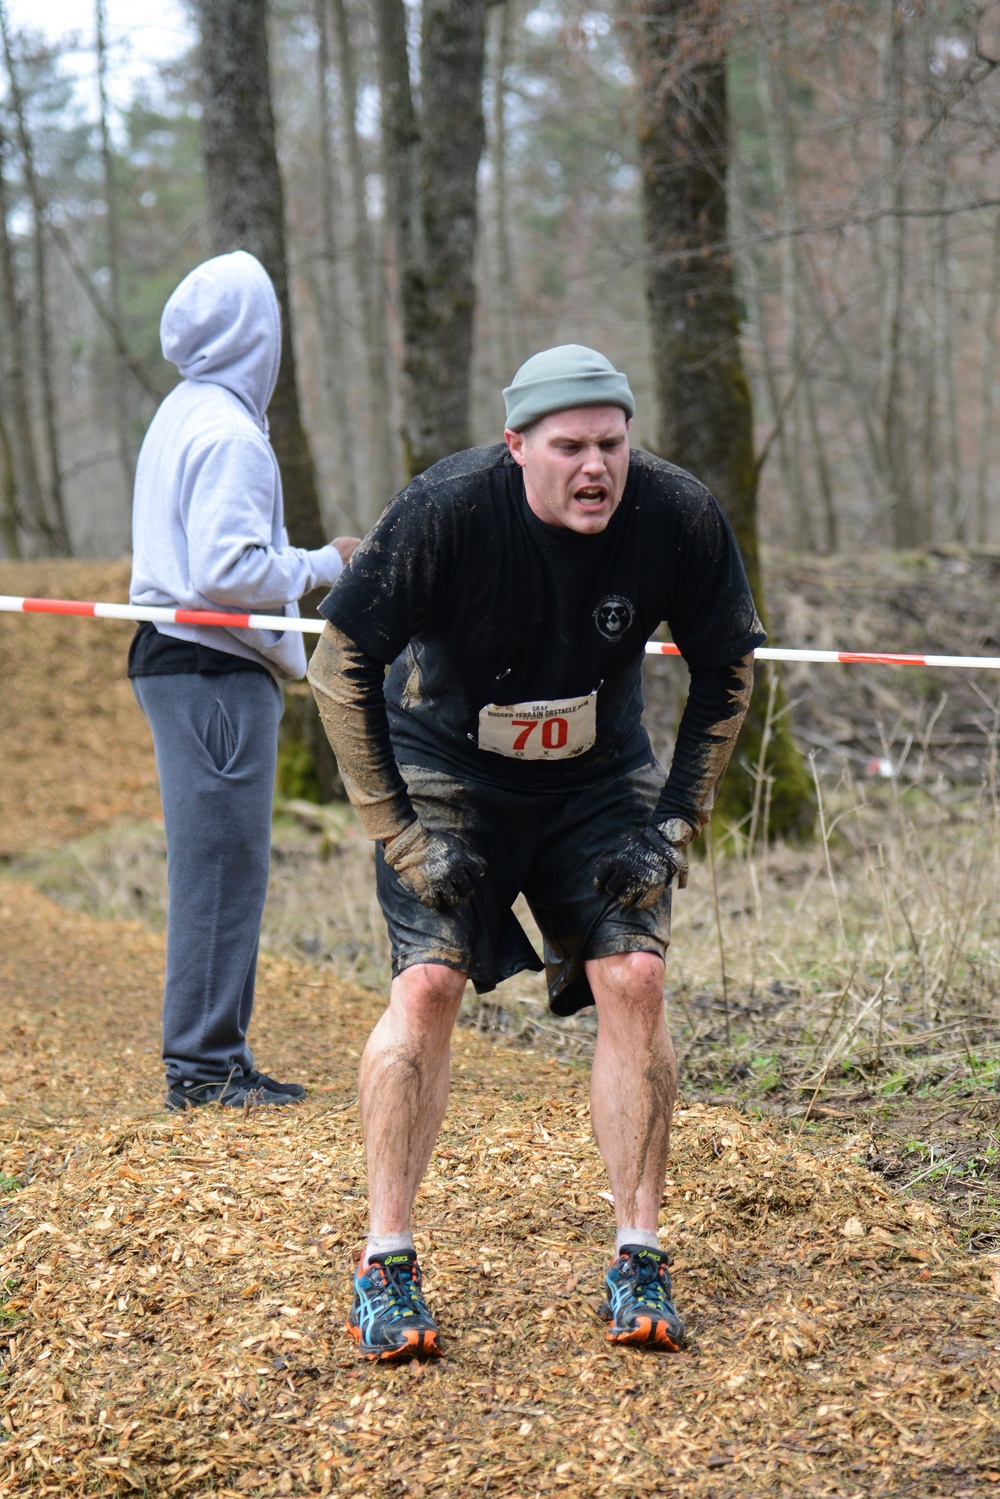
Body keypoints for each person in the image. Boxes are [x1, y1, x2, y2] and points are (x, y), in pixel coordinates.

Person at [308, 344, 763, 1359]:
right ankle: (385, 1263)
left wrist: (676, 822)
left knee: (635, 973)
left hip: (597, 778)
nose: (595, 466)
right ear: (518, 446)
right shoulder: (447, 507)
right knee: (427, 986)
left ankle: (638, 1251)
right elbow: (337, 666)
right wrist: (398, 833)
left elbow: (728, 669)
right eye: (569, 447)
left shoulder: (676, 513)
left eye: (611, 443)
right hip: (445, 768)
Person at [129, 250, 358, 1112]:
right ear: (255, 333)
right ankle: (204, 1066)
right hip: (212, 666)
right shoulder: (229, 433)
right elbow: (227, 567)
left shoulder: (184, 412)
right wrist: (323, 564)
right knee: (223, 866)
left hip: (187, 659)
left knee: (222, 862)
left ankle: (216, 1055)